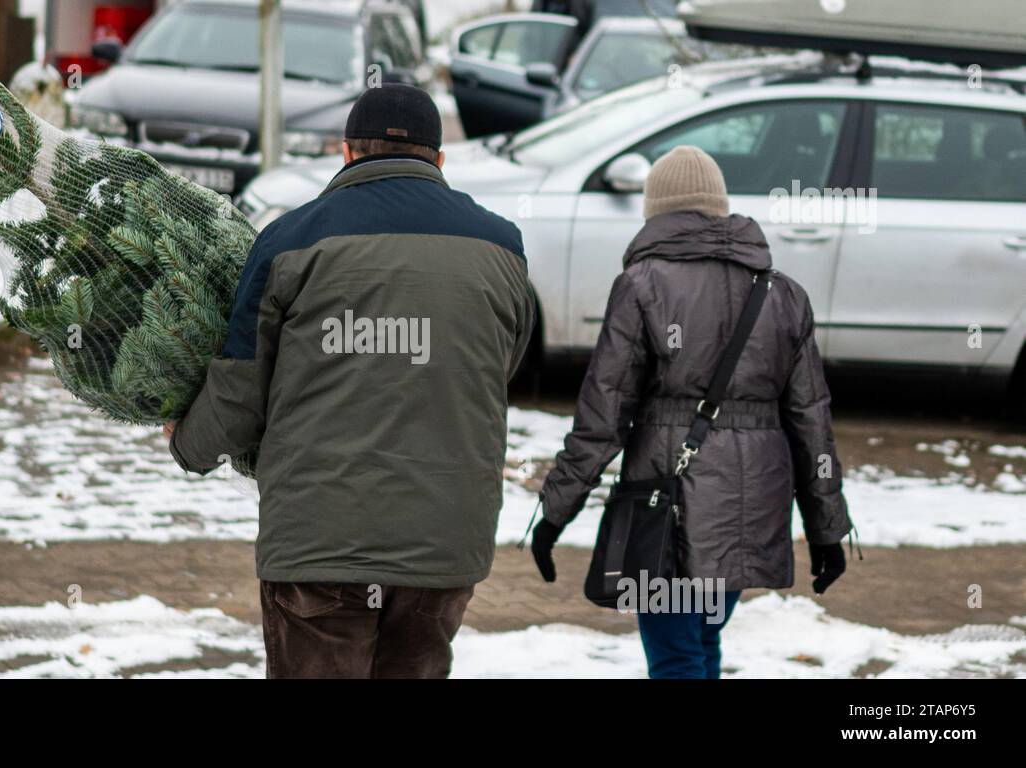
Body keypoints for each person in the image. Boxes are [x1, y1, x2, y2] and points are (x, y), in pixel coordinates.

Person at [167, 84, 535, 679]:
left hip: (321, 543)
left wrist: (189, 444)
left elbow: (240, 387)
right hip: (442, 544)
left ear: (346, 153)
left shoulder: (291, 239)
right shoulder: (501, 246)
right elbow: (499, 366)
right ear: (439, 159)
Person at [530, 146, 852, 679]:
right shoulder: (782, 293)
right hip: (753, 503)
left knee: (676, 655)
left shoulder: (641, 285)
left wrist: (557, 508)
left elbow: (604, 414)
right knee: (702, 641)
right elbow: (811, 422)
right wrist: (826, 528)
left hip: (667, 501)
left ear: (656, 212)